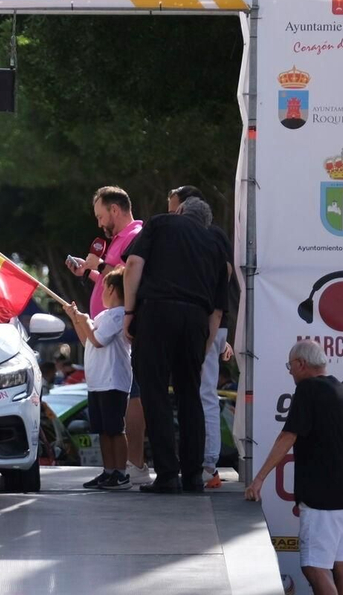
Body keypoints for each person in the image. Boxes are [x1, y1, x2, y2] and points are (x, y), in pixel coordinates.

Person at [246, 341, 343, 595]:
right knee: (341, 563)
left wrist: (259, 479)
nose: (290, 372)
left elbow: (288, 437)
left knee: (314, 568)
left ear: (301, 364)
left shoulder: (308, 389)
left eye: (290, 366)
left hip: (323, 499)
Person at [122, 196, 231, 493]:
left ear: (181, 210)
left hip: (157, 312)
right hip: (196, 320)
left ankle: (168, 475)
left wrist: (129, 313)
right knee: (190, 396)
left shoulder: (161, 222)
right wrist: (206, 343)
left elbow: (132, 264)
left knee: (154, 392)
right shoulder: (215, 245)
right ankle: (194, 476)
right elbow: (218, 311)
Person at [69, 185, 148, 481]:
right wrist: (87, 272)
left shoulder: (136, 235)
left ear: (115, 209)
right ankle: (114, 469)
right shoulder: (115, 240)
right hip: (107, 326)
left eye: (102, 216)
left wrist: (100, 266)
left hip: (122, 330)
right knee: (108, 421)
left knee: (131, 399)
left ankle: (134, 465)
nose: (100, 224)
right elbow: (110, 276)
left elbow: (128, 276)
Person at [176, 196, 239, 490]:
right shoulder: (212, 237)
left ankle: (207, 464)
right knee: (200, 394)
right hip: (207, 323)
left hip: (209, 323)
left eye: (174, 207)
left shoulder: (211, 236)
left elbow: (225, 275)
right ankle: (203, 463)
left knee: (205, 395)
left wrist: (214, 335)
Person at [66, 265, 134, 490]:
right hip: (97, 382)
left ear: (113, 289)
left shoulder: (119, 315)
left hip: (114, 381)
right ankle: (108, 471)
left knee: (116, 429)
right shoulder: (104, 315)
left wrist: (85, 321)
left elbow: (99, 340)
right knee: (103, 430)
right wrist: (77, 320)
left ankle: (121, 473)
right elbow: (87, 340)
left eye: (103, 288)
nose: (101, 293)